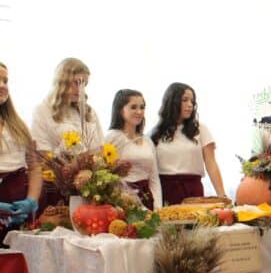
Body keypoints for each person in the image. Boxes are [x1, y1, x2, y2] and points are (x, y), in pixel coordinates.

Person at [30, 58, 103, 212]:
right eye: (77, 83)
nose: (81, 90)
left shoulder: (89, 112)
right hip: (56, 187)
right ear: (62, 80)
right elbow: (42, 154)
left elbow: (99, 150)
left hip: (88, 186)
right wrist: (68, 170)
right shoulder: (43, 110)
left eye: (85, 84)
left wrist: (85, 168)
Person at [151, 83, 226, 205]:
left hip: (193, 191)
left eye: (192, 101)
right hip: (165, 192)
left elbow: (211, 163)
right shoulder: (155, 133)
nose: (190, 105)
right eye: (184, 100)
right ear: (172, 102)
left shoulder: (200, 129)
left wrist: (222, 196)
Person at [0, 62, 41, 241]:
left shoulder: (18, 124)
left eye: (5, 81)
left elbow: (34, 167)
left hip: (18, 200)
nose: (2, 85)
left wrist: (31, 201)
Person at [106, 89, 162, 210]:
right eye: (133, 107)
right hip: (122, 202)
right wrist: (130, 202)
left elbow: (154, 178)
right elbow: (108, 177)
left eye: (142, 107)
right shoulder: (112, 137)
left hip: (148, 198)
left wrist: (157, 207)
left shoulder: (147, 140)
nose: (139, 111)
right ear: (120, 110)